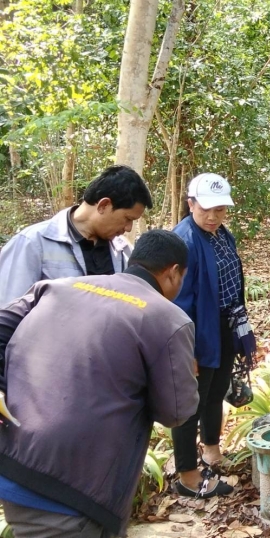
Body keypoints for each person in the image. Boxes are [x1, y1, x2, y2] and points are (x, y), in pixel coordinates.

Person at [0, 230, 198, 538]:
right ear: (173, 272)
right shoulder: (168, 319)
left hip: (13, 462)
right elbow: (176, 412)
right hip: (71, 490)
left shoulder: (58, 287)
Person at [170, 172, 256, 498]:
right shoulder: (184, 241)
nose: (213, 216)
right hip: (198, 329)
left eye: (220, 209)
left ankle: (211, 451)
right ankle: (187, 476)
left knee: (216, 389)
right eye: (206, 208)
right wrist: (187, 349)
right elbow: (179, 302)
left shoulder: (221, 234)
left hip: (224, 324)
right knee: (192, 400)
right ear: (191, 203)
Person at [0, 165, 153, 306]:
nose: (128, 228)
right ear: (103, 205)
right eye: (127, 219)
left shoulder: (123, 251)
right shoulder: (33, 243)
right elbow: (8, 311)